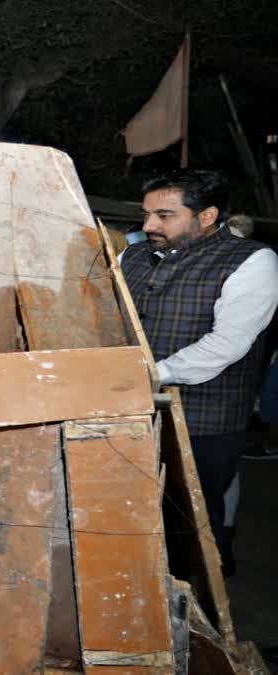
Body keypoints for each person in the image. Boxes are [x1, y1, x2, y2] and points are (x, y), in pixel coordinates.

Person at [121, 168, 278, 567]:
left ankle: (196, 614)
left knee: (190, 525)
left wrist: (152, 374)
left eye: (165, 215)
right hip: (129, 411)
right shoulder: (132, 254)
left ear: (207, 216)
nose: (149, 225)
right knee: (127, 514)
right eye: (146, 214)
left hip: (204, 420)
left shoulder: (252, 260)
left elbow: (227, 343)